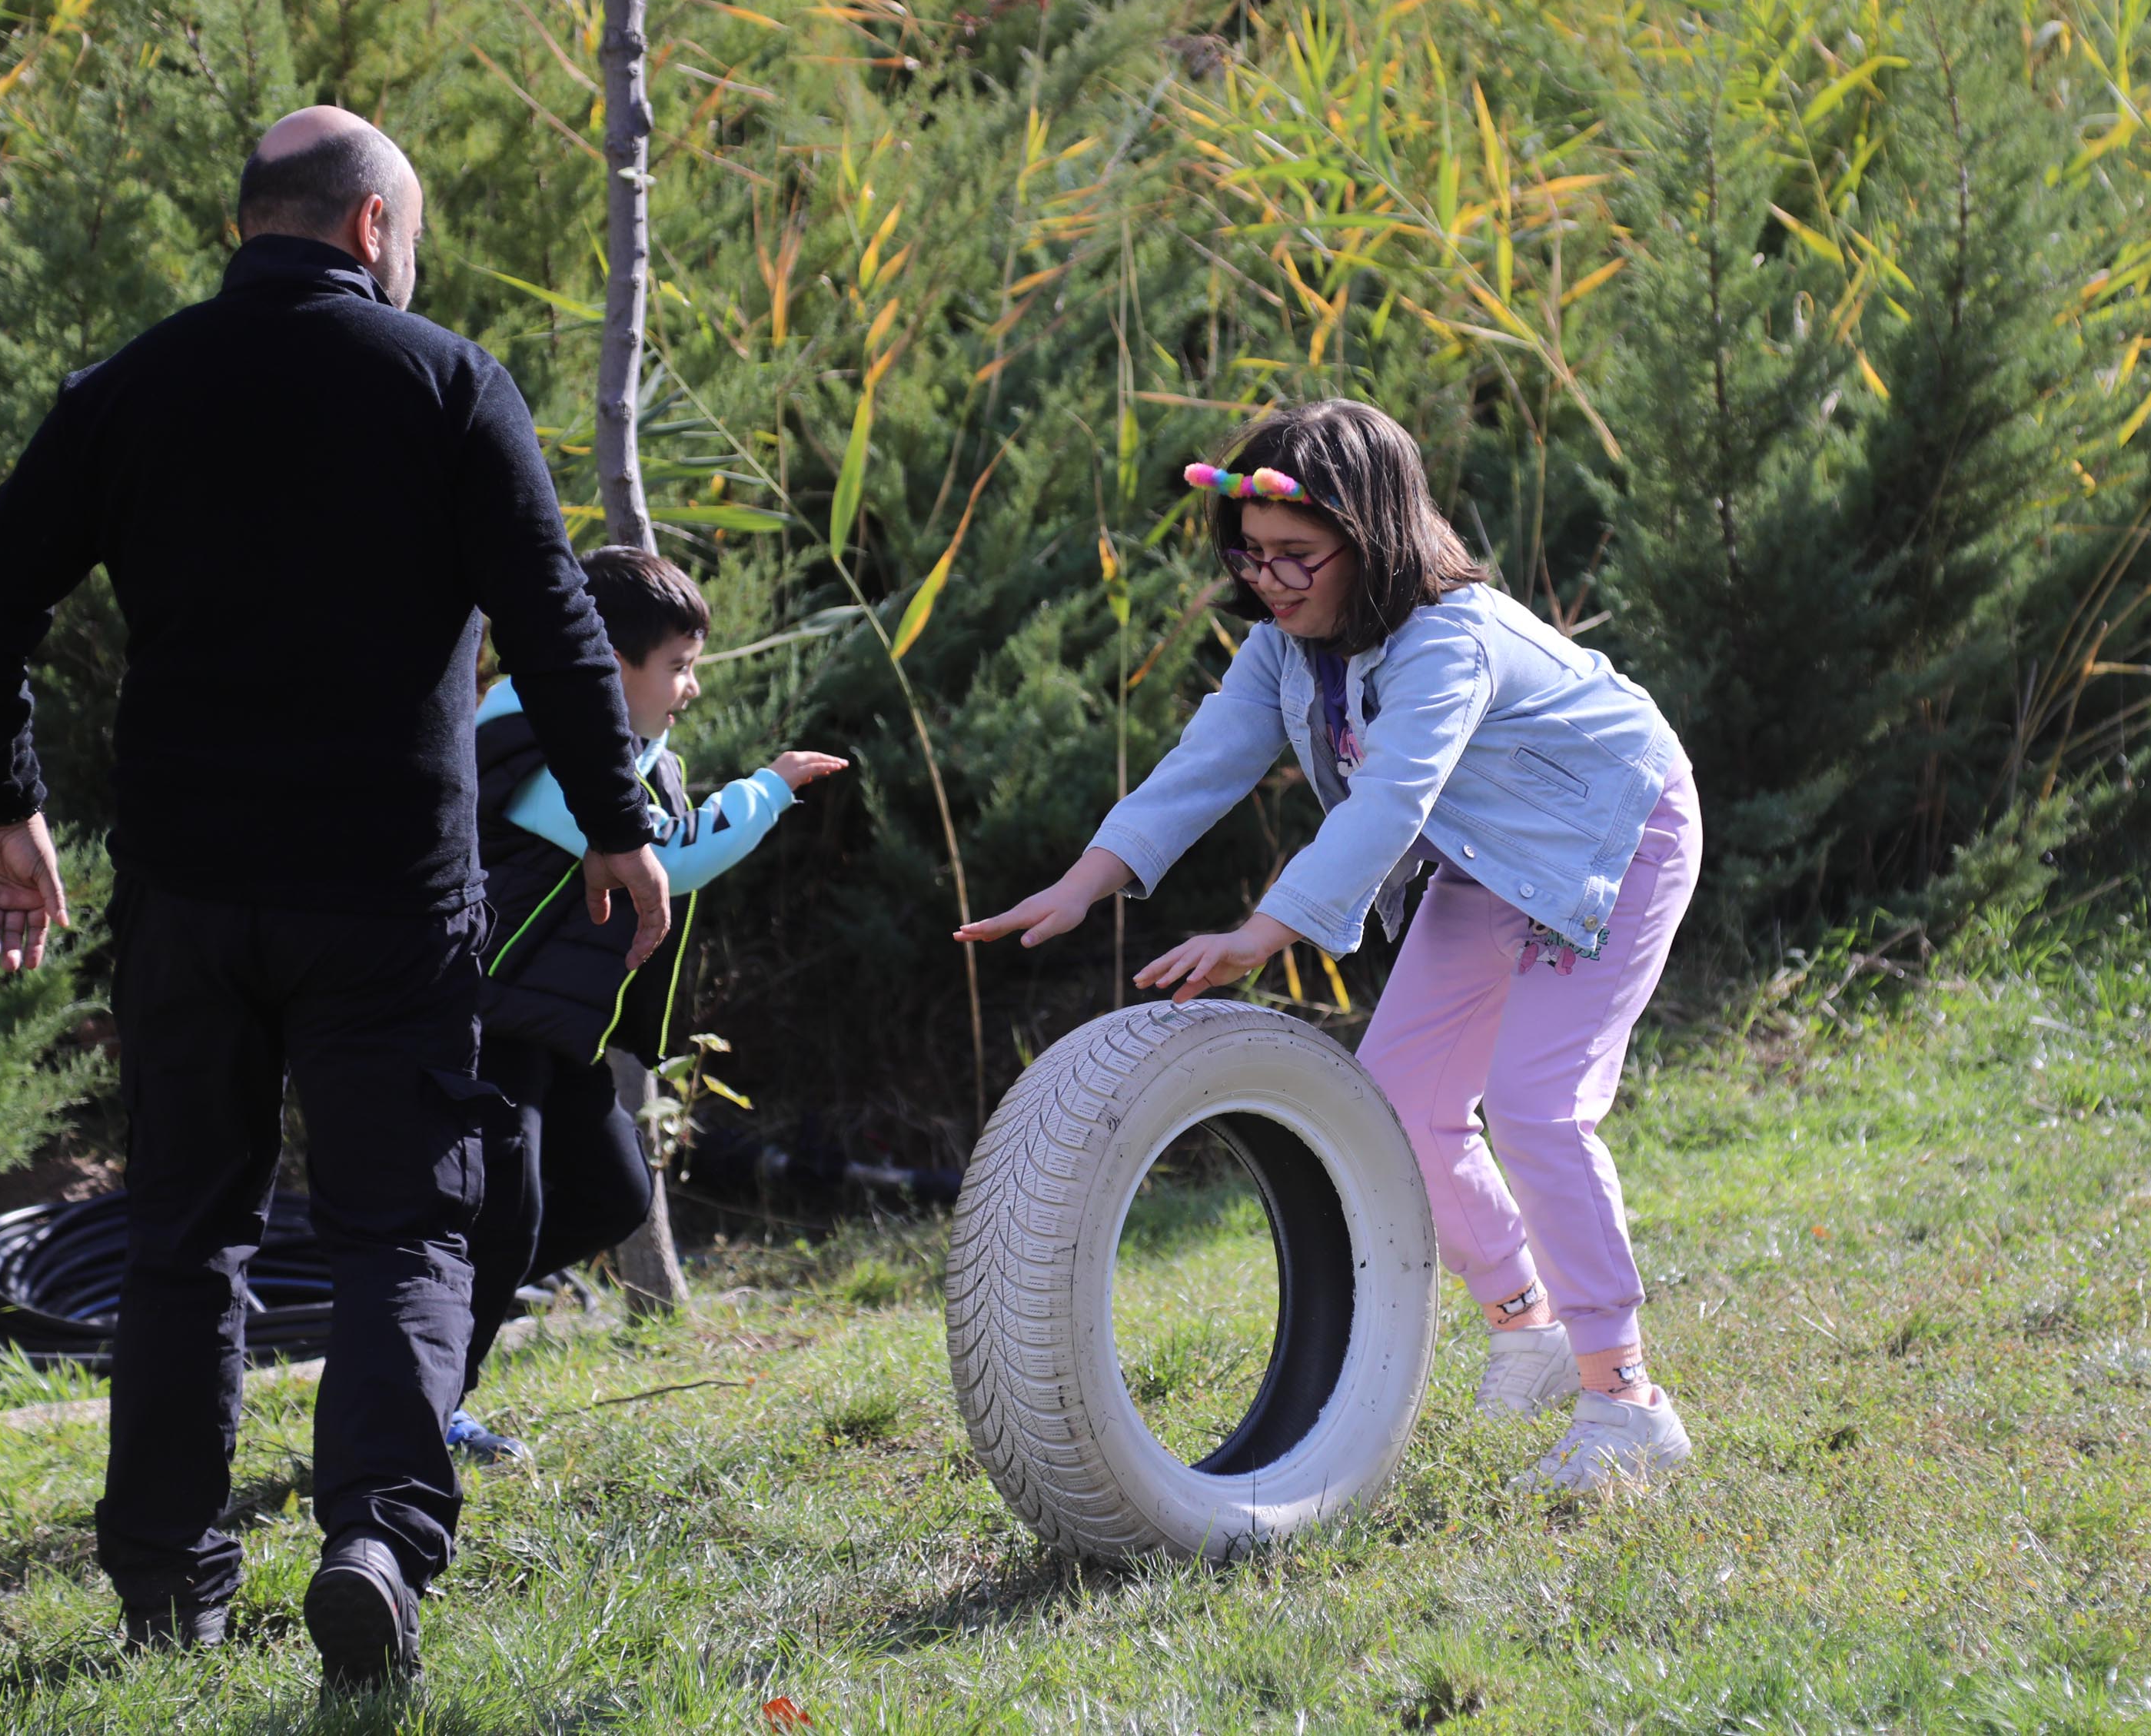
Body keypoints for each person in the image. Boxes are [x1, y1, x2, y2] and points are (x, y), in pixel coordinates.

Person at [0, 107, 672, 1688]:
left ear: (248, 228)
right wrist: (620, 824)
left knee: (184, 1233)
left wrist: (1, 804)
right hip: (390, 898)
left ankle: (169, 1586)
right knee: (407, 1217)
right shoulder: (447, 381)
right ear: (372, 231)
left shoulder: (131, 387)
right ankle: (379, 1541)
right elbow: (549, 616)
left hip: (190, 898)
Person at [958, 399, 1703, 1493]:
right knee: (1397, 1096)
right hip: (1490, 861)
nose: (1271, 579)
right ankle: (1524, 1321)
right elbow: (1200, 763)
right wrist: (1083, 884)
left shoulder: (1452, 638)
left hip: (1613, 834)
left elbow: (1387, 802)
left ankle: (1626, 1399)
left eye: (1298, 557)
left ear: (1376, 538)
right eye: (1250, 556)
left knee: (1537, 1103)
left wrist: (1263, 932)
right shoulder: (1281, 649)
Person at [450, 546, 843, 1463]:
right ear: (604, 665)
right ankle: (421, 1405)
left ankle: (427, 1314)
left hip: (555, 1022)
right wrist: (770, 788)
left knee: (608, 1196)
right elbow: (667, 854)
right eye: (678, 665)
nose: (692, 687)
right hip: (487, 1017)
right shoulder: (529, 738)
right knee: (505, 1220)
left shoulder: (622, 749)